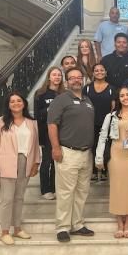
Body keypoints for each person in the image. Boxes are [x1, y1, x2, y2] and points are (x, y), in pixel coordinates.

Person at [47, 67, 96, 242]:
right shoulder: (61, 100)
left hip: (86, 153)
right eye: (72, 78)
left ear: (82, 80)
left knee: (82, 191)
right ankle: (62, 227)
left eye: (78, 77)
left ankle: (77, 224)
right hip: (67, 151)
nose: (76, 80)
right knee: (65, 192)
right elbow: (52, 124)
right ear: (66, 82)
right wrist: (55, 148)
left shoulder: (88, 100)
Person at [0, 92, 40, 245]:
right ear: (8, 105)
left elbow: (36, 145)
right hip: (6, 163)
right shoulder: (0, 122)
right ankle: (4, 232)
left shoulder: (31, 123)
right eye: (12, 101)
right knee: (7, 199)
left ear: (24, 103)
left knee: (19, 197)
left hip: (26, 161)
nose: (16, 103)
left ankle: (17, 229)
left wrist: (36, 163)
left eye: (19, 100)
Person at [95, 86, 128, 239]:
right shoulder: (111, 116)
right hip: (115, 156)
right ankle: (119, 224)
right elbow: (102, 137)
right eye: (122, 95)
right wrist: (99, 157)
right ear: (118, 99)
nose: (125, 98)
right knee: (116, 188)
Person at [34, 66, 65, 200]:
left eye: (59, 75)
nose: (57, 77)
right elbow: (37, 115)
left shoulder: (64, 94)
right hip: (46, 133)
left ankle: (54, 188)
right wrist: (50, 108)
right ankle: (45, 189)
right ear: (49, 77)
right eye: (54, 75)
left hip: (62, 131)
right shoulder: (40, 93)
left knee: (57, 162)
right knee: (47, 161)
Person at [82, 64, 115, 181]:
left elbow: (113, 107)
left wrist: (109, 121)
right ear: (93, 73)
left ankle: (104, 169)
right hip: (90, 122)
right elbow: (83, 105)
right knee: (93, 146)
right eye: (96, 70)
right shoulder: (87, 88)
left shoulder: (111, 88)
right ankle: (94, 171)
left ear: (105, 72)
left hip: (106, 123)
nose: (99, 72)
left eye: (102, 70)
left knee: (105, 146)